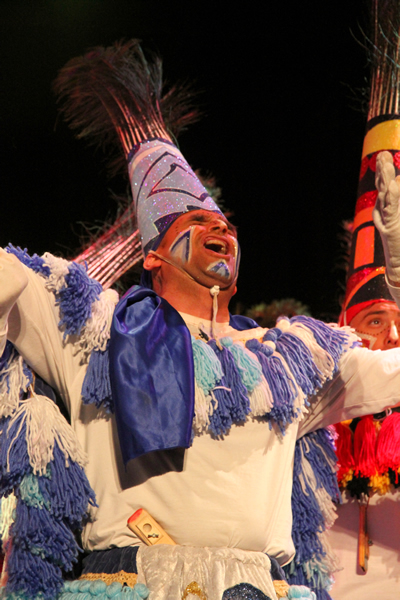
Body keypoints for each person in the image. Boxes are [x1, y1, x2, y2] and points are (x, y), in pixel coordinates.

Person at [2, 42, 400, 600]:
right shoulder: (92, 328)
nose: (222, 230)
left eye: (226, 224)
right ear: (152, 256)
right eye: (194, 219)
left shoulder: (286, 362)